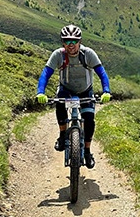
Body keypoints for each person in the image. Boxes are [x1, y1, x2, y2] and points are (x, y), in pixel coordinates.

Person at [35, 24, 111, 169]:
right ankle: (63, 135)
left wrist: (106, 91)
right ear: (63, 43)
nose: (71, 45)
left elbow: (101, 73)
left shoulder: (88, 54)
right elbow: (46, 73)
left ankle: (87, 151)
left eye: (74, 41)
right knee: (60, 103)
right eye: (67, 41)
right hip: (66, 89)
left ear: (80, 42)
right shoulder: (58, 55)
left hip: (85, 90)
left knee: (89, 120)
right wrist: (40, 92)